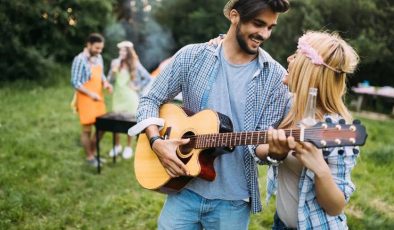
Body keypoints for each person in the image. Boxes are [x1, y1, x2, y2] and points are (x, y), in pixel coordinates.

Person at [133, 0, 290, 229]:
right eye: (258, 24)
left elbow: (259, 146)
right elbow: (150, 99)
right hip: (183, 189)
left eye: (270, 27)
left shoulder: (276, 78)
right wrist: (156, 141)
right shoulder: (192, 56)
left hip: (233, 202)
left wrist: (276, 152)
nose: (264, 34)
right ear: (234, 16)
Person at [254, 31, 360, 229]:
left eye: (296, 55)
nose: (289, 58)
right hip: (281, 224)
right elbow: (256, 144)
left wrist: (320, 168)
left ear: (308, 69)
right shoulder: (288, 106)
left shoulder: (336, 128)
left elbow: (336, 207)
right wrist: (273, 153)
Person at [71, 33, 113, 167]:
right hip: (85, 99)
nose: (99, 51)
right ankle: (90, 157)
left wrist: (106, 83)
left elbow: (101, 75)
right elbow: (75, 82)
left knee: (102, 127)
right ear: (88, 45)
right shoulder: (79, 60)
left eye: (101, 48)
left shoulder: (98, 57)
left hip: (98, 97)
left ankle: (93, 153)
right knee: (87, 130)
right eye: (96, 48)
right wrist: (90, 94)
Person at [107, 41, 151, 159]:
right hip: (118, 97)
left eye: (124, 50)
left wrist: (138, 87)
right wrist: (113, 70)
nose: (121, 52)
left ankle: (128, 147)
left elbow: (147, 77)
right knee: (115, 122)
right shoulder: (115, 63)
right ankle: (117, 146)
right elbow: (109, 80)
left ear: (129, 52)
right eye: (120, 50)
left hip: (130, 97)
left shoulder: (134, 63)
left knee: (129, 123)